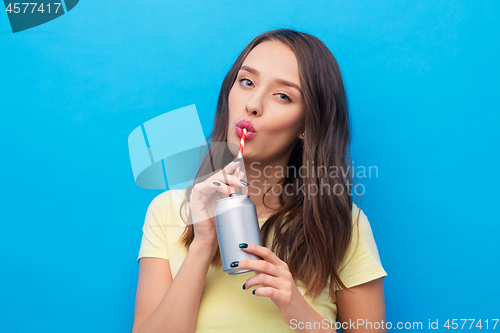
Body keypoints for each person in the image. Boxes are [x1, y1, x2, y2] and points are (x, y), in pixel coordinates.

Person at [132, 29, 387, 333]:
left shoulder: (344, 226)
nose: (252, 103)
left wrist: (296, 307)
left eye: (283, 95)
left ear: (307, 125)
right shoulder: (167, 212)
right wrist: (202, 244)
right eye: (247, 82)